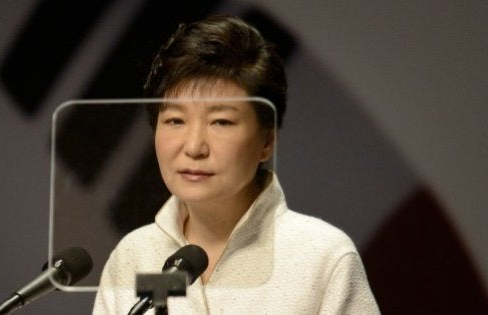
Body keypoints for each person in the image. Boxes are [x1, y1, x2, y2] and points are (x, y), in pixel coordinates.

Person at [93, 14, 379, 314]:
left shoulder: (323, 256)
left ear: (266, 141)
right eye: (175, 120)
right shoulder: (133, 255)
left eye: (221, 122)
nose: (193, 147)